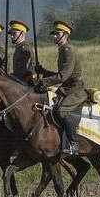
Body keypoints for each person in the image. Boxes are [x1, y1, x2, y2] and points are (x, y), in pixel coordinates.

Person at [35, 20, 87, 155]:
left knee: (61, 111)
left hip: (75, 90)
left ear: (65, 35)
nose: (54, 36)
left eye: (57, 34)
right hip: (67, 88)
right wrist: (44, 71)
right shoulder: (63, 50)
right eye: (54, 34)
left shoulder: (68, 50)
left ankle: (73, 143)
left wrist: (44, 82)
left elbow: (63, 76)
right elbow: (61, 75)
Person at [8, 20, 36, 85]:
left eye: (14, 34)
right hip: (20, 80)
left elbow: (23, 71)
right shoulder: (19, 48)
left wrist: (11, 77)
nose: (11, 36)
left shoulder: (25, 49)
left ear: (22, 34)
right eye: (11, 34)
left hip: (27, 83)